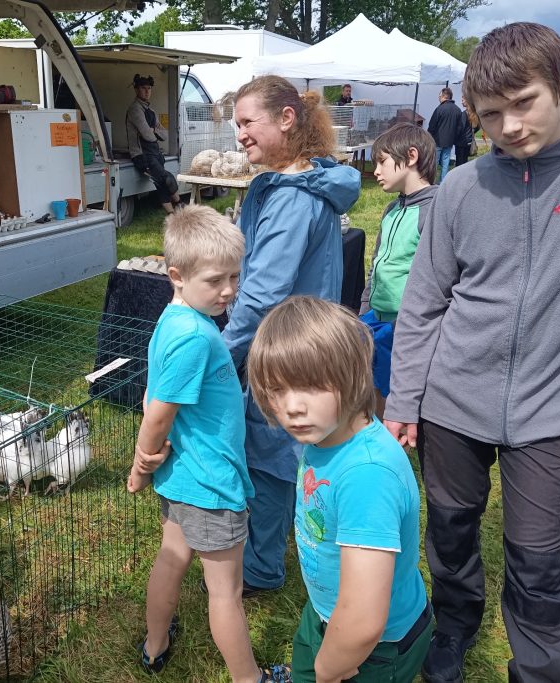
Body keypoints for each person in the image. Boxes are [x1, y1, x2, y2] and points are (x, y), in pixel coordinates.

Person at [383, 23, 560, 683]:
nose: (508, 127)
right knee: (449, 533)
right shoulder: (460, 187)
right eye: (489, 116)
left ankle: (538, 666)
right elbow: (424, 302)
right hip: (450, 404)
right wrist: (404, 399)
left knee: (537, 560)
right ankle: (453, 626)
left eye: (523, 103)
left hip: (552, 413)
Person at [126, 204, 290, 683]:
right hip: (211, 482)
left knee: (172, 558)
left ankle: (155, 646)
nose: (229, 290)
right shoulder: (195, 338)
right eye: (216, 280)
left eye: (235, 277)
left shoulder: (174, 319)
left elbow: (153, 392)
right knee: (225, 593)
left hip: (183, 476)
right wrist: (141, 463)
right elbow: (158, 412)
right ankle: (249, 678)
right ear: (177, 276)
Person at [223, 75, 361, 597]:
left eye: (248, 122)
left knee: (271, 452)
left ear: (286, 119)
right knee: (283, 448)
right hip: (300, 341)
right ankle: (281, 544)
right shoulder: (300, 185)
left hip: (288, 349)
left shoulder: (292, 199)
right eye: (237, 124)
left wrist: (220, 351)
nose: (240, 134)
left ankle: (261, 569)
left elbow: (263, 295)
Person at [247, 296, 431, 683]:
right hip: (327, 612)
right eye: (277, 390)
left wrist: (329, 668)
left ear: (351, 374)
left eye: (310, 385)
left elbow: (363, 620)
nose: (292, 407)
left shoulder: (367, 475)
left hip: (374, 647)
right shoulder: (326, 434)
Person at [359, 124, 437, 419]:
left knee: (394, 392)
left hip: (405, 327)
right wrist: (365, 310)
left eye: (382, 162)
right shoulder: (391, 210)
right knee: (369, 382)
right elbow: (376, 265)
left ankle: (393, 438)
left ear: (411, 156)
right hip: (376, 318)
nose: (376, 171)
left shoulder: (433, 210)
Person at [125, 73, 181, 215]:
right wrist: (154, 131)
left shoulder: (151, 111)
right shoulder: (135, 109)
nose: (147, 91)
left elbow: (165, 135)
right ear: (136, 89)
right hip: (142, 155)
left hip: (155, 153)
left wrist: (153, 130)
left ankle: (174, 213)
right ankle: (179, 208)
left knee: (161, 182)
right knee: (166, 179)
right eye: (143, 88)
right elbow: (148, 136)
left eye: (149, 88)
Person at [427, 88, 461, 183]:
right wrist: (454, 138)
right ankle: (443, 182)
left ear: (444, 96)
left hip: (437, 141)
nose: (439, 97)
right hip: (449, 141)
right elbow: (459, 128)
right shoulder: (457, 110)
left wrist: (429, 137)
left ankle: (432, 182)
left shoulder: (439, 109)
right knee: (445, 163)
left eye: (439, 96)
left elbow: (432, 125)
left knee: (434, 162)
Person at [454, 97, 476, 166]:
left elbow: (460, 128)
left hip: (461, 142)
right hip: (469, 141)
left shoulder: (464, 114)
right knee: (464, 162)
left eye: (463, 100)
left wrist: (454, 138)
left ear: (467, 101)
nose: (461, 102)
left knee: (459, 163)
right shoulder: (473, 114)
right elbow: (477, 127)